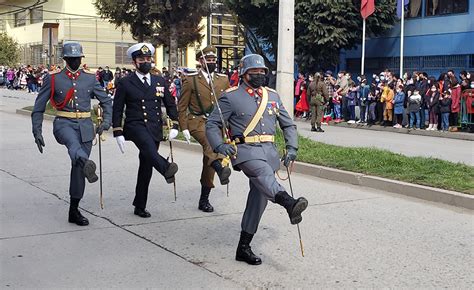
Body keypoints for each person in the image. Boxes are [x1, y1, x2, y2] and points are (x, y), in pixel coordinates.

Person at [206, 54, 308, 265]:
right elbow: (212, 124)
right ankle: (289, 203)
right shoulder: (230, 96)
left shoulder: (273, 96)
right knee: (262, 175)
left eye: (262, 72)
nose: (260, 75)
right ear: (244, 74)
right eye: (255, 72)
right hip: (244, 151)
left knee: (258, 199)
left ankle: (243, 247)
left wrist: (292, 147)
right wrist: (219, 145)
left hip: (269, 152)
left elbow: (288, 125)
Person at [31, 41, 112, 226]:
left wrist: (106, 121)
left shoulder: (90, 78)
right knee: (74, 148)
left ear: (81, 58)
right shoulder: (53, 78)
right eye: (71, 58)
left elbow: (107, 101)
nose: (75, 61)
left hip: (85, 125)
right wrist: (37, 130)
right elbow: (38, 107)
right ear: (65, 59)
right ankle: (85, 162)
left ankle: (73, 210)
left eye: (78, 58)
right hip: (63, 123)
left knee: (78, 168)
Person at [112, 43, 179, 218]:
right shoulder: (126, 82)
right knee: (148, 149)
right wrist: (118, 131)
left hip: (155, 126)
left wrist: (176, 124)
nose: (146, 62)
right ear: (134, 62)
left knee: (146, 164)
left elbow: (170, 103)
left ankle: (139, 205)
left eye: (148, 59)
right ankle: (166, 168)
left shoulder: (159, 81)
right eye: (142, 59)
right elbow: (117, 108)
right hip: (135, 125)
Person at [177, 45, 231, 213]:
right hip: (198, 121)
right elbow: (182, 105)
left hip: (217, 124)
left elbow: (228, 104)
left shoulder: (223, 80)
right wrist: (183, 127)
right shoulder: (191, 79)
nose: (212, 62)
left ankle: (204, 199)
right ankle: (221, 169)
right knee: (211, 145)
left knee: (208, 162)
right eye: (208, 60)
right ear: (201, 61)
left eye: (214, 60)